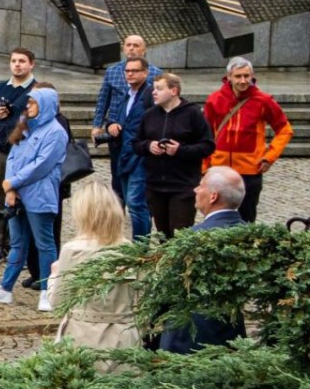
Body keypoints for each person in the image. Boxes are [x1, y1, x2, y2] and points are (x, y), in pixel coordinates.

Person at [0, 87, 67, 310]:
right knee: (18, 243)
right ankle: (5, 289)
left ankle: (47, 291)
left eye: (33, 103)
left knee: (45, 244)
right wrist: (9, 188)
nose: (28, 107)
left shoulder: (56, 132)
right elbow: (13, 157)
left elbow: (42, 165)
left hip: (39, 196)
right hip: (17, 196)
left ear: (45, 105)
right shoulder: (26, 125)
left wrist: (13, 183)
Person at [157, 166, 248, 353]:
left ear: (213, 196)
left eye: (200, 186)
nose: (196, 190)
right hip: (231, 334)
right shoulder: (251, 236)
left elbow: (169, 290)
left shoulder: (193, 239)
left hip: (188, 336)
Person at [49, 182, 138, 356]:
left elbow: (57, 303)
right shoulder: (129, 249)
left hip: (83, 338)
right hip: (124, 339)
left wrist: (54, 276)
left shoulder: (73, 250)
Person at [202, 57, 293, 221]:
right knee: (216, 215)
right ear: (228, 76)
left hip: (250, 170)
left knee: (247, 217)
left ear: (252, 76)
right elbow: (205, 134)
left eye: (246, 76)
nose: (243, 81)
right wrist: (204, 165)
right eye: (238, 76)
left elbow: (285, 130)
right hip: (219, 168)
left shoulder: (263, 100)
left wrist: (269, 157)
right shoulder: (215, 99)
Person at [132, 73, 215, 237]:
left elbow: (207, 146)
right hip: (155, 185)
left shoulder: (192, 113)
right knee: (163, 235)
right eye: (153, 89)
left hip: (182, 186)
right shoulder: (149, 115)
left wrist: (180, 150)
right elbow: (135, 143)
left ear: (174, 90)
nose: (153, 93)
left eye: (159, 89)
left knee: (180, 235)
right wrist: (149, 146)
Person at [0, 48, 38, 265]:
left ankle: (21, 248)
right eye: (14, 61)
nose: (17, 65)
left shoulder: (37, 90)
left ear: (32, 64)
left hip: (23, 153)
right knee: (0, 199)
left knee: (22, 199)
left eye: (22, 61)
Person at [91, 33, 159, 199]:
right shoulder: (113, 71)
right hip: (115, 130)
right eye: (128, 45)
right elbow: (103, 99)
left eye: (136, 45)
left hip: (139, 131)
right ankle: (118, 207)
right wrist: (97, 125)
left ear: (144, 50)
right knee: (117, 173)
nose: (131, 48)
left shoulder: (155, 73)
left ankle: (138, 205)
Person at [114, 56, 155, 238]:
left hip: (141, 156)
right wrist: (110, 125)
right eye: (127, 71)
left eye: (134, 71)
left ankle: (141, 248)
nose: (130, 74)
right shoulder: (126, 95)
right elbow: (118, 119)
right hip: (123, 155)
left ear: (145, 73)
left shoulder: (149, 96)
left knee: (136, 203)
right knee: (129, 202)